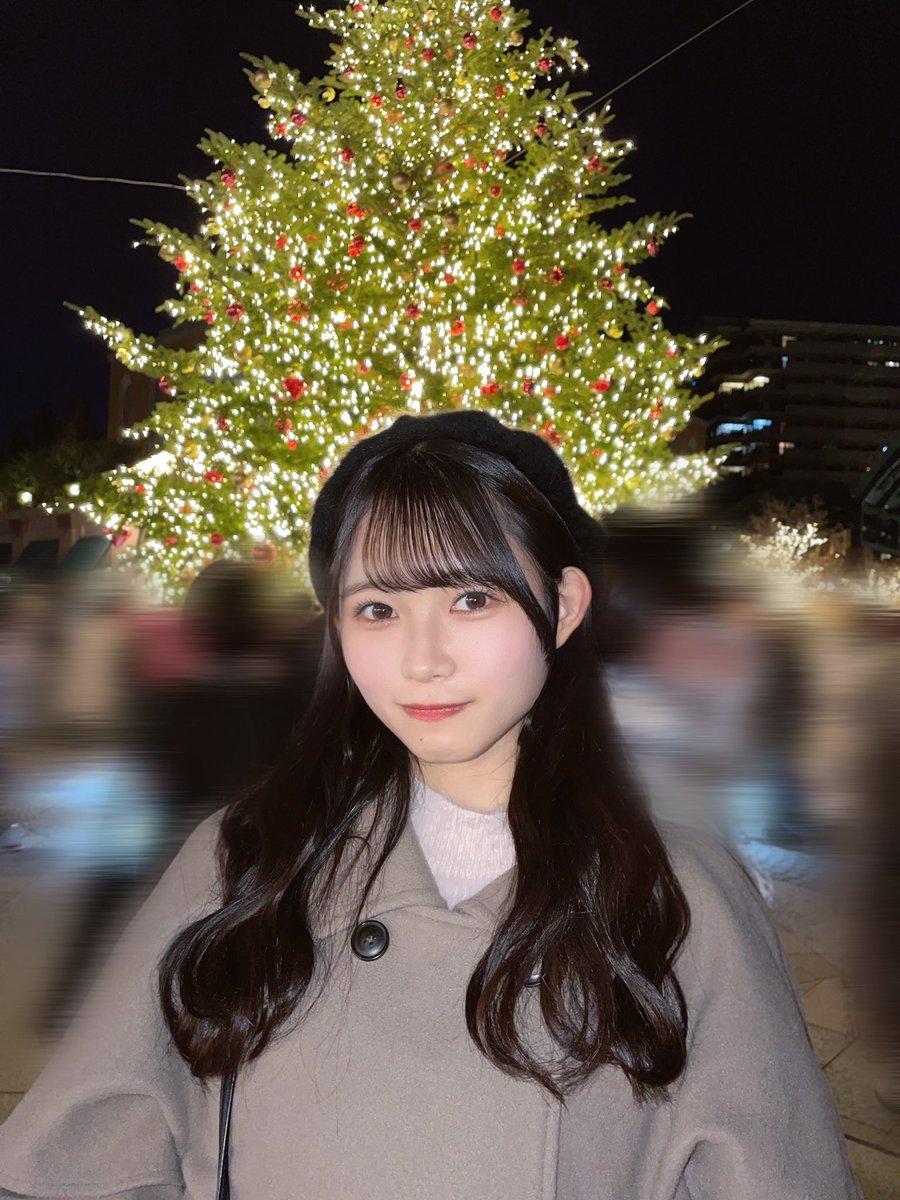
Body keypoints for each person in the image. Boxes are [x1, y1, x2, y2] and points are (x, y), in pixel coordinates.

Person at [0, 411, 860, 1199]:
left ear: (563, 606)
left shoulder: (679, 892)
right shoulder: (250, 858)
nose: (423, 660)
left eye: (471, 599)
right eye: (378, 609)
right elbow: (79, 1161)